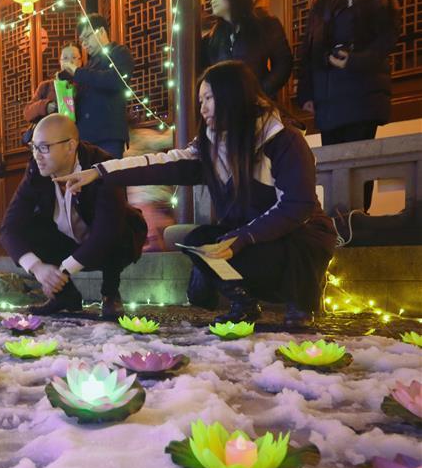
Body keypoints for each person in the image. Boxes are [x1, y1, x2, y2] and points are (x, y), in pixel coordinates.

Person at [56, 61, 337, 328]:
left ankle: (302, 300)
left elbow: (296, 206)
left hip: (297, 237)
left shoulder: (283, 140)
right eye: (200, 100)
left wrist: (242, 238)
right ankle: (244, 302)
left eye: (209, 98)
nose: (202, 108)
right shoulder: (209, 147)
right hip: (247, 237)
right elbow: (160, 164)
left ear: (233, 95)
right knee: (198, 242)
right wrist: (100, 172)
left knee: (293, 246)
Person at [0, 114, 147, 318]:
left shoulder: (102, 164)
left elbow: (107, 231)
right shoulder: (37, 170)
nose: (37, 155)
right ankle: (65, 297)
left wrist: (62, 271)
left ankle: (110, 294)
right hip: (68, 241)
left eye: (44, 147)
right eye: (33, 147)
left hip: (108, 243)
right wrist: (37, 268)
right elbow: (9, 228)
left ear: (70, 146)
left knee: (119, 229)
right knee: (29, 227)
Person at [297, 0, 400, 146]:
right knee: (333, 164)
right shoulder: (320, 3)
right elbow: (309, 50)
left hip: (361, 97)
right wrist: (306, 93)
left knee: (357, 163)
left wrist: (355, 61)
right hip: (328, 104)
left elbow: (386, 39)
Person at [203, 0, 293, 98]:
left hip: (258, 102)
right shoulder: (214, 35)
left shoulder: (265, 24)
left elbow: (283, 63)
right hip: (226, 105)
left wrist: (260, 92)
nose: (212, 0)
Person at [62, 13, 135, 159]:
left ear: (101, 31)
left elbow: (116, 80)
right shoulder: (89, 65)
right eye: (82, 41)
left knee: (109, 173)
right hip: (84, 140)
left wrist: (77, 72)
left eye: (87, 37)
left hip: (108, 135)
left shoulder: (118, 52)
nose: (84, 44)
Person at [21, 43, 81, 143]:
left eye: (74, 57)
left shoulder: (85, 85)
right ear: (60, 62)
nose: (69, 61)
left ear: (80, 61)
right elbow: (27, 112)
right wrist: (46, 106)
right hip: (52, 142)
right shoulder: (46, 86)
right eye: (65, 58)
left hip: (78, 139)